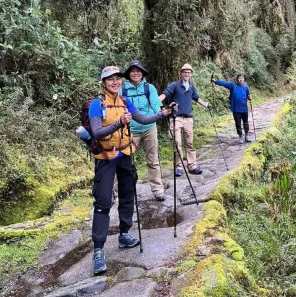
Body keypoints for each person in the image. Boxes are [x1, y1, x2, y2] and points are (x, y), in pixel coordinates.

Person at [89, 66, 172, 275]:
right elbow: (98, 132)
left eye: (117, 79)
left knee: (127, 195)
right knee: (103, 201)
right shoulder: (96, 104)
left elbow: (143, 119)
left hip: (125, 155)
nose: (115, 82)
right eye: (110, 79)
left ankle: (125, 234)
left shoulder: (126, 101)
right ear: (103, 82)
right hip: (106, 158)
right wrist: (119, 122)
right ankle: (98, 250)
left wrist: (163, 113)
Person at [121, 60, 166, 202]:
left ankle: (158, 189)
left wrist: (160, 113)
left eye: (138, 71)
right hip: (130, 130)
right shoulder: (123, 90)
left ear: (142, 73)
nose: (135, 73)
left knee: (153, 160)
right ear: (128, 74)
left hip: (149, 128)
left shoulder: (149, 88)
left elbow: (155, 105)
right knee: (124, 160)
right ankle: (119, 190)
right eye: (132, 71)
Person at [158, 63, 211, 176]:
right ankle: (179, 167)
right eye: (185, 72)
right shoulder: (174, 85)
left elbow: (196, 98)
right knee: (176, 143)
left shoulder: (191, 87)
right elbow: (165, 94)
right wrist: (156, 101)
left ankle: (192, 166)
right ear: (181, 73)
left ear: (191, 74)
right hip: (176, 118)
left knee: (189, 143)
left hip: (188, 119)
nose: (187, 74)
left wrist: (206, 105)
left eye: (189, 72)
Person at [212, 74, 252, 144]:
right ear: (237, 79)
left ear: (244, 79)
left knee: (246, 123)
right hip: (236, 109)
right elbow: (224, 83)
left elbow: (248, 95)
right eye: (239, 78)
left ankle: (246, 136)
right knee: (238, 124)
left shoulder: (246, 88)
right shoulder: (233, 86)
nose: (240, 79)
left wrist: (250, 97)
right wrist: (215, 81)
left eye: (242, 78)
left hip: (244, 109)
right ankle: (240, 137)